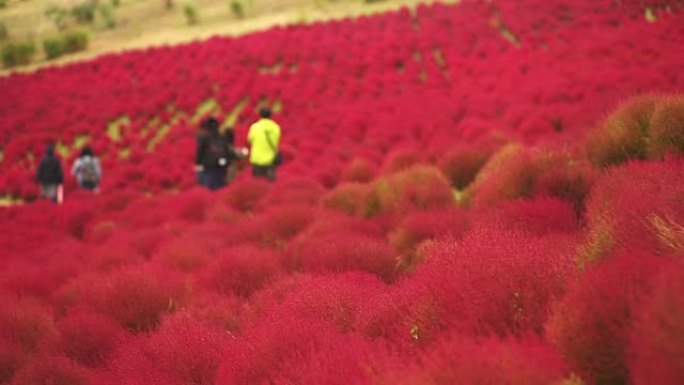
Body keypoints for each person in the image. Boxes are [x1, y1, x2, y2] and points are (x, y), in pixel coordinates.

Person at [195, 117, 237, 190]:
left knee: (209, 189)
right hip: (220, 168)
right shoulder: (221, 138)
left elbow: (200, 152)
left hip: (208, 168)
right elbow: (228, 152)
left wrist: (198, 163)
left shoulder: (203, 138)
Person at [247, 108, 281, 182]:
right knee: (270, 185)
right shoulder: (276, 127)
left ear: (260, 115)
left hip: (257, 159)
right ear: (271, 115)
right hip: (270, 160)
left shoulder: (254, 127)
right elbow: (277, 140)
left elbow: (249, 140)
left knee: (257, 183)